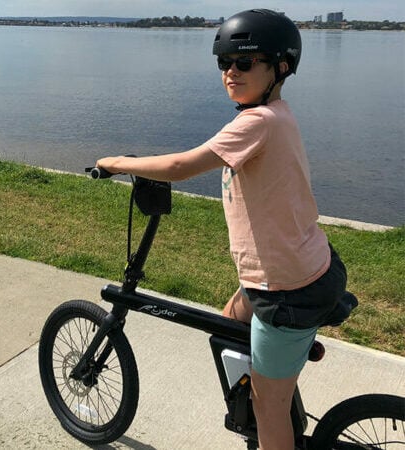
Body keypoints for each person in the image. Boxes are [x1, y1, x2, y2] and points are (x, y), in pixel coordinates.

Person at [95, 9, 347, 450]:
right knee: (229, 322)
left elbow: (179, 166)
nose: (231, 72)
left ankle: (274, 414)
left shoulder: (258, 122)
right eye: (224, 62)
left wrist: (114, 162)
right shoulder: (276, 113)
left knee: (270, 414)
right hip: (298, 268)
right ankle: (270, 393)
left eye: (245, 63)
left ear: (280, 67)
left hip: (286, 291)